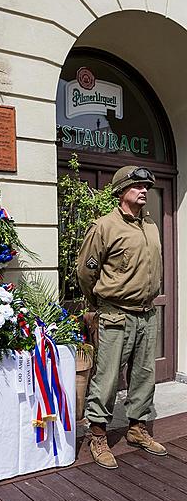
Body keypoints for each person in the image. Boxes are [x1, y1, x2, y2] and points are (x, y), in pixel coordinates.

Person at [77, 165, 167, 469]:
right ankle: (98, 435)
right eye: (137, 186)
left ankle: (137, 429)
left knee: (144, 376)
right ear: (121, 191)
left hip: (146, 314)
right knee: (107, 378)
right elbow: (86, 272)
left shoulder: (151, 225)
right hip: (114, 315)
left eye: (146, 187)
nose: (144, 191)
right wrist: (97, 305)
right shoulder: (104, 226)